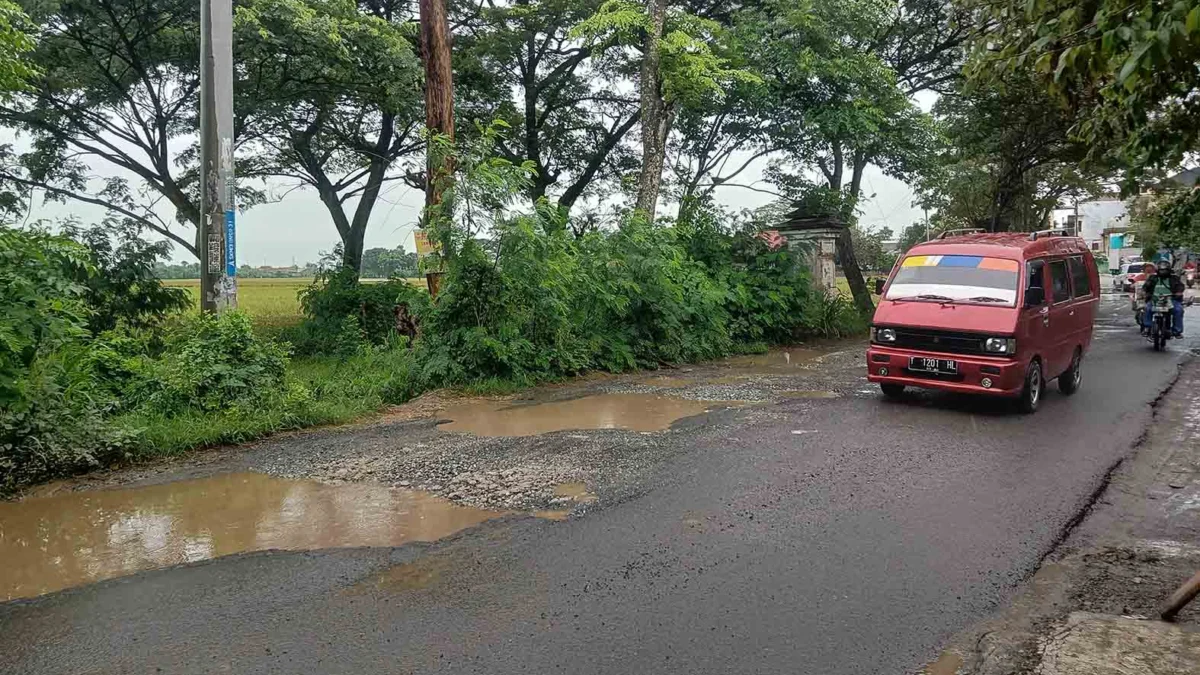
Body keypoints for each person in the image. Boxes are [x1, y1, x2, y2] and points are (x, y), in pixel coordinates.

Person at [1140, 259, 1185, 337]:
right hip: (1155, 300)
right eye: (1161, 270)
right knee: (1147, 308)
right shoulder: (1152, 278)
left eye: (1164, 270)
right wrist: (1144, 292)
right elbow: (1145, 287)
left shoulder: (1174, 278)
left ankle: (1177, 331)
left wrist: (1179, 292)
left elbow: (1180, 286)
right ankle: (1147, 328)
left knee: (1178, 310)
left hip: (1171, 300)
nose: (1163, 272)